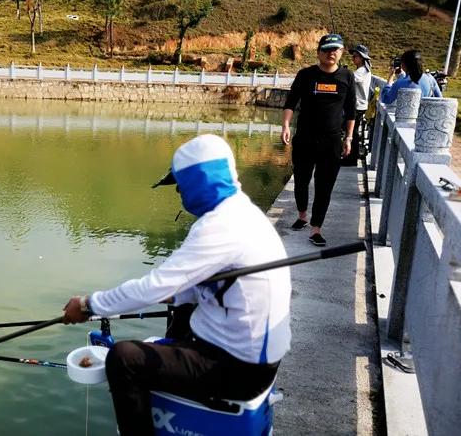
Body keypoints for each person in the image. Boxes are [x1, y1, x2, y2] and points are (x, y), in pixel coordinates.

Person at [62, 134, 291, 436]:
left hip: (240, 369)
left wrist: (88, 305)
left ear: (199, 180)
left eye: (181, 185)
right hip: (247, 354)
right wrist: (170, 294)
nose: (180, 192)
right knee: (182, 307)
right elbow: (184, 287)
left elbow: (153, 286)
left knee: (123, 359)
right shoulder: (241, 214)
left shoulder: (219, 227)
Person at [281, 34, 356, 247]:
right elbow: (290, 102)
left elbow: (350, 112)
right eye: (327, 49)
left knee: (325, 186)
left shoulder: (347, 77)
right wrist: (286, 125)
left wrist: (348, 137)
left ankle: (316, 228)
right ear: (318, 52)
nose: (331, 53)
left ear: (341, 52)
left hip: (331, 141)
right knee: (301, 180)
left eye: (336, 49)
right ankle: (302, 215)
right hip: (305, 138)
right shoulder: (306, 75)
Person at [343, 44, 373, 165]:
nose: (353, 58)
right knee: (352, 132)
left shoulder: (362, 71)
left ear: (361, 57)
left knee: (352, 133)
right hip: (359, 106)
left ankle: (350, 159)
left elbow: (349, 79)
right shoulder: (363, 70)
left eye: (355, 56)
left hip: (357, 106)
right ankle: (350, 157)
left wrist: (342, 72)